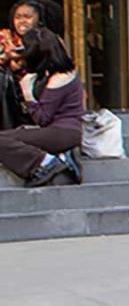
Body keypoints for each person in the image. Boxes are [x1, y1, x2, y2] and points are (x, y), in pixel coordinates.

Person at [0, 26, 85, 186]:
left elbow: (42, 118)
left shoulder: (60, 78)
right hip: (59, 131)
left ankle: (45, 162)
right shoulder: (59, 72)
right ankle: (57, 158)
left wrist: (28, 94)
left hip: (63, 132)